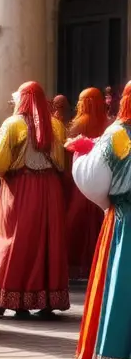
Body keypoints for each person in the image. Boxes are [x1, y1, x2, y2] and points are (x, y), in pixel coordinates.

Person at [0, 82, 69, 317]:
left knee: (15, 238)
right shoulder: (56, 126)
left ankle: (12, 297)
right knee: (47, 239)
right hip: (50, 188)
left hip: (21, 187)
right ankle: (46, 300)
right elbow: (62, 162)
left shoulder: (14, 124)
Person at [70, 83, 131, 359]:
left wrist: (79, 158)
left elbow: (94, 182)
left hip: (125, 220)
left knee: (123, 284)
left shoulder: (119, 133)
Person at [68, 88, 108, 280]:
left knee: (78, 219)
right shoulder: (110, 124)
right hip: (101, 181)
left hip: (81, 181)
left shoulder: (77, 125)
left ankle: (78, 266)